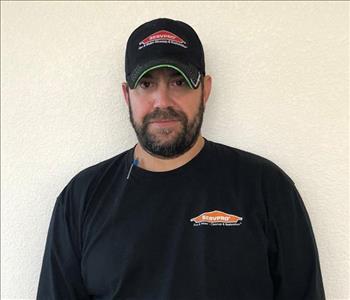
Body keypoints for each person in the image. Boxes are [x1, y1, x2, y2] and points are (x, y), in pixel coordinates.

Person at [37, 18, 326, 300]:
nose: (162, 101)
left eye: (178, 82)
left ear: (205, 90)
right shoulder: (81, 198)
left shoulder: (267, 188)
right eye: (147, 83)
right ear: (127, 95)